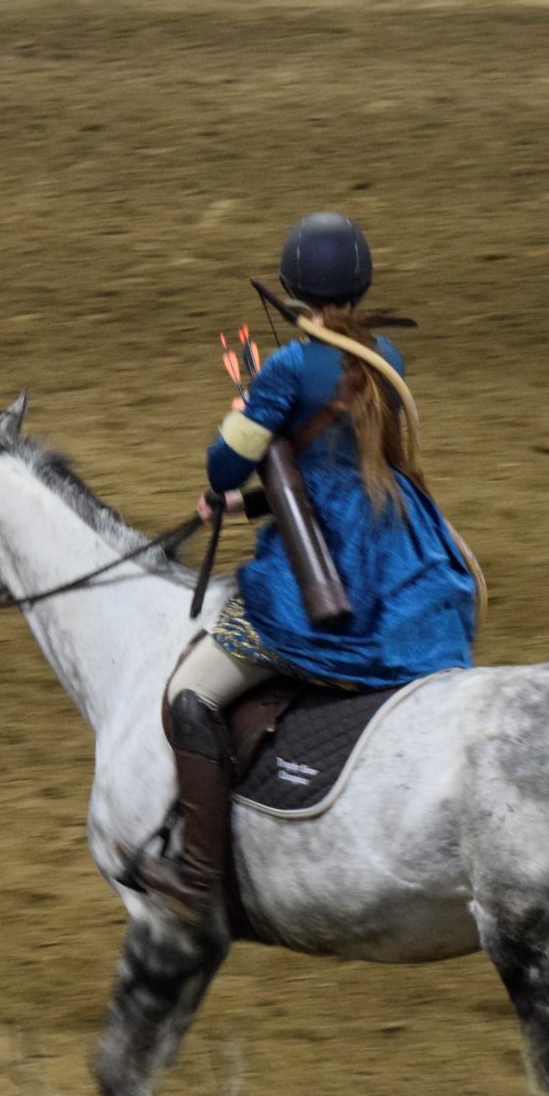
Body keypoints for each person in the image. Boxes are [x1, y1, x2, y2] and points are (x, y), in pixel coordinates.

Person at [141, 212, 482, 926]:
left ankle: (199, 874)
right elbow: (341, 475)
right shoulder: (387, 354)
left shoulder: (290, 368)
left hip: (327, 576)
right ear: (361, 284)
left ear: (294, 286)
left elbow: (223, 461)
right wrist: (251, 503)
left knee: (190, 694)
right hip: (401, 555)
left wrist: (248, 409)